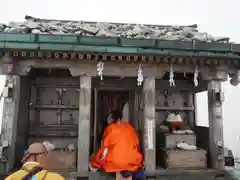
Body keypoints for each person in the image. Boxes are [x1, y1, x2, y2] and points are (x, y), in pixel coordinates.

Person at [89, 109, 144, 180]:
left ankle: (124, 170)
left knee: (114, 161)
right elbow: (137, 145)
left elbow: (104, 151)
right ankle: (128, 171)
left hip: (116, 163)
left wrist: (94, 165)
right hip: (133, 162)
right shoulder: (130, 127)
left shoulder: (110, 129)